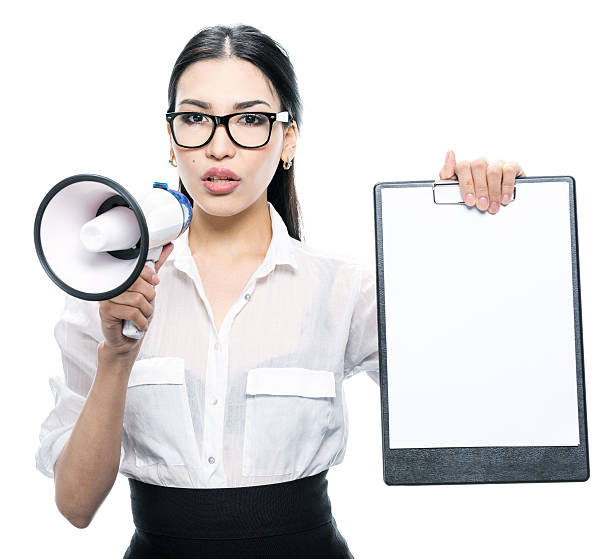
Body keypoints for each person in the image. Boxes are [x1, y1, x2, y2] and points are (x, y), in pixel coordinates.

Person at [35, 24, 525, 558]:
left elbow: (469, 398)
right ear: (171, 140)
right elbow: (76, 506)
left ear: (288, 139)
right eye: (195, 118)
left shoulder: (342, 287)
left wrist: (475, 230)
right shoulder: (107, 291)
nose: (218, 146)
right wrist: (117, 356)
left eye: (249, 119)